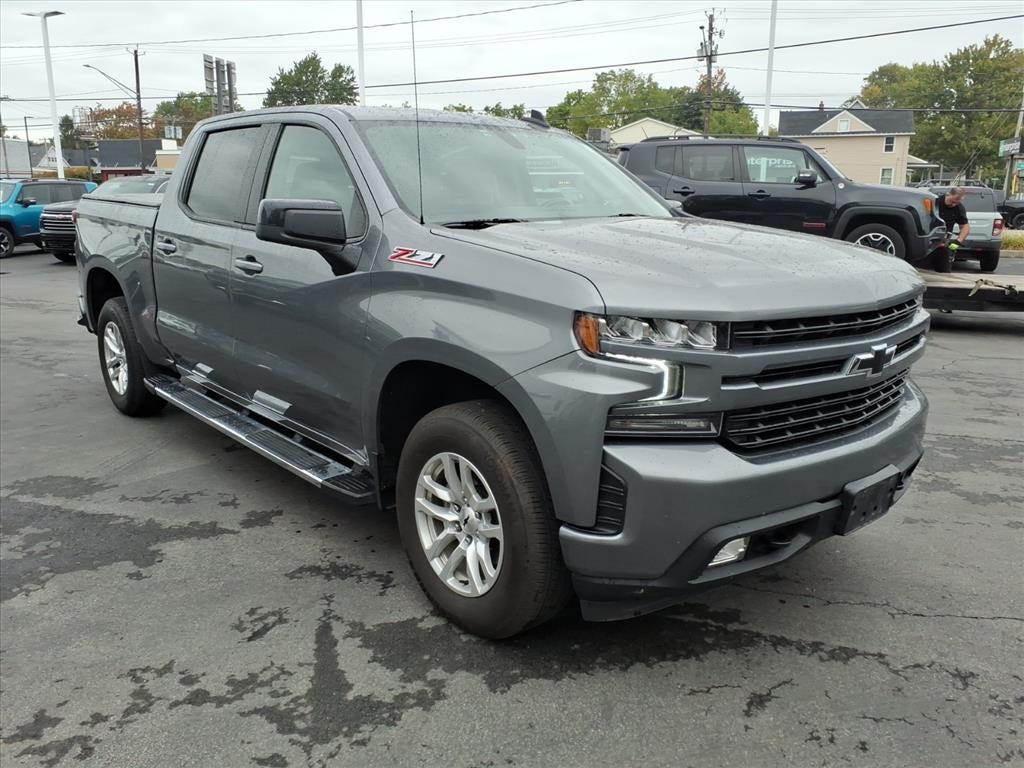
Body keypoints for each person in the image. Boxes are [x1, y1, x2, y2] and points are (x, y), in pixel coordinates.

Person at [932, 187, 970, 272]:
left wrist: (958, 241)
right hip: (929, 240)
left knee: (943, 270)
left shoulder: (959, 208)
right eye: (952, 202)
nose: (953, 205)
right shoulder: (935, 202)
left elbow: (965, 226)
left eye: (956, 203)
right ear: (948, 194)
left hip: (944, 243)